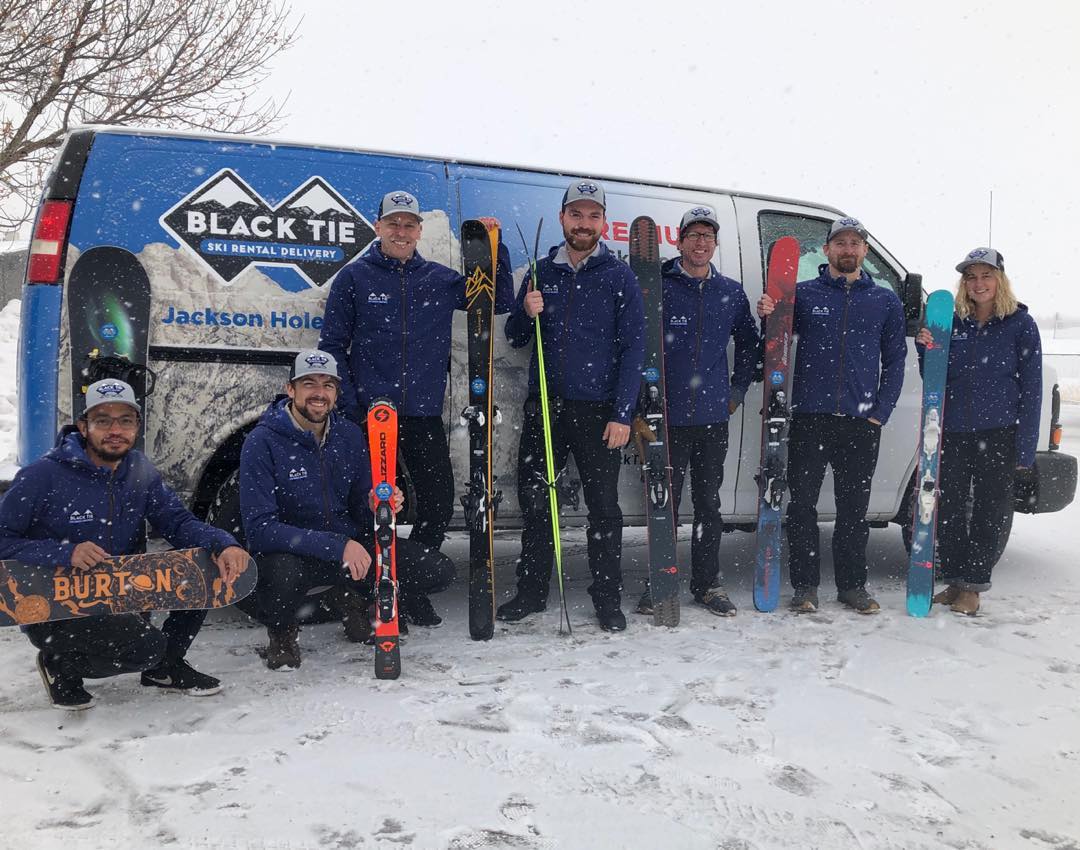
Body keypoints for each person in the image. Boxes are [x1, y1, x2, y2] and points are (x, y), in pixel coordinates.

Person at [0, 379, 249, 710]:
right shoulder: (43, 476)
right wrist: (65, 553)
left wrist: (223, 544)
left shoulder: (140, 471)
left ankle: (165, 666)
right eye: (103, 420)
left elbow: (177, 522)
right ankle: (61, 664)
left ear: (136, 426)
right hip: (57, 604)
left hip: (120, 592)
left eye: (125, 420)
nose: (115, 429)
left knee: (204, 565)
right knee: (144, 648)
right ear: (84, 426)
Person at [319, 191, 513, 565]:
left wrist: (496, 246)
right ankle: (375, 587)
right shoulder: (354, 278)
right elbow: (332, 346)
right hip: (372, 417)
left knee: (438, 503)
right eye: (393, 223)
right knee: (372, 506)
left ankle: (412, 583)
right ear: (378, 227)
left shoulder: (438, 280)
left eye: (409, 224)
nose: (401, 231)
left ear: (420, 231)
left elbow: (499, 301)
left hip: (422, 414)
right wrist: (351, 408)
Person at [239, 350, 456, 670]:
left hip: (348, 554)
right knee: (281, 578)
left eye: (328, 385)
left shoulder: (350, 436)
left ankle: (350, 598)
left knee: (437, 570)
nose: (319, 393)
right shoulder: (262, 442)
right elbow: (260, 529)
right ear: (291, 389)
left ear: (337, 393)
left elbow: (360, 503)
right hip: (294, 555)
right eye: (309, 383)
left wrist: (377, 506)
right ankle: (283, 631)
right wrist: (337, 546)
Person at [497, 179, 645, 632]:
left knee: (604, 508)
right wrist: (526, 310)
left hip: (599, 412)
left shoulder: (619, 276)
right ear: (563, 218)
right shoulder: (541, 272)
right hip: (545, 406)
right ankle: (530, 592)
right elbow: (516, 338)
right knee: (538, 504)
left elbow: (634, 348)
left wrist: (623, 414)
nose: (584, 223)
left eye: (593, 215)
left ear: (603, 222)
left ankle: (606, 600)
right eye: (576, 214)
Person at [757, 218, 907, 614]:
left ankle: (852, 587)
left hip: (861, 423)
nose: (848, 249)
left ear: (864, 251)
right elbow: (773, 346)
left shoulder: (885, 300)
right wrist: (768, 313)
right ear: (826, 250)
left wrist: (881, 412)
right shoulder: (803, 295)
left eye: (855, 243)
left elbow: (895, 360)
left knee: (854, 511)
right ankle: (805, 587)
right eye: (840, 242)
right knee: (802, 507)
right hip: (810, 417)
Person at [635, 206, 761, 618]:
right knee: (662, 505)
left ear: (715, 243)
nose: (701, 242)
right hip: (663, 418)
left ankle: (707, 584)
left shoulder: (730, 292)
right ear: (679, 241)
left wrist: (737, 390)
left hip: (711, 418)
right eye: (693, 235)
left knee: (708, 505)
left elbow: (750, 343)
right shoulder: (657, 285)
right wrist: (639, 403)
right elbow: (634, 343)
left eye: (708, 235)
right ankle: (660, 581)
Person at [916, 248, 1041, 616]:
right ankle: (955, 581)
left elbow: (1032, 389)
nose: (978, 283)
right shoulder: (953, 322)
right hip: (954, 430)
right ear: (963, 284)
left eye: (986, 276)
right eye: (971, 277)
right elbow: (934, 376)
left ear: (999, 280)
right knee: (950, 506)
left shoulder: (1020, 325)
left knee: (990, 510)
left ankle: (973, 585)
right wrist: (926, 349)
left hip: (1000, 431)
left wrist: (1025, 449)